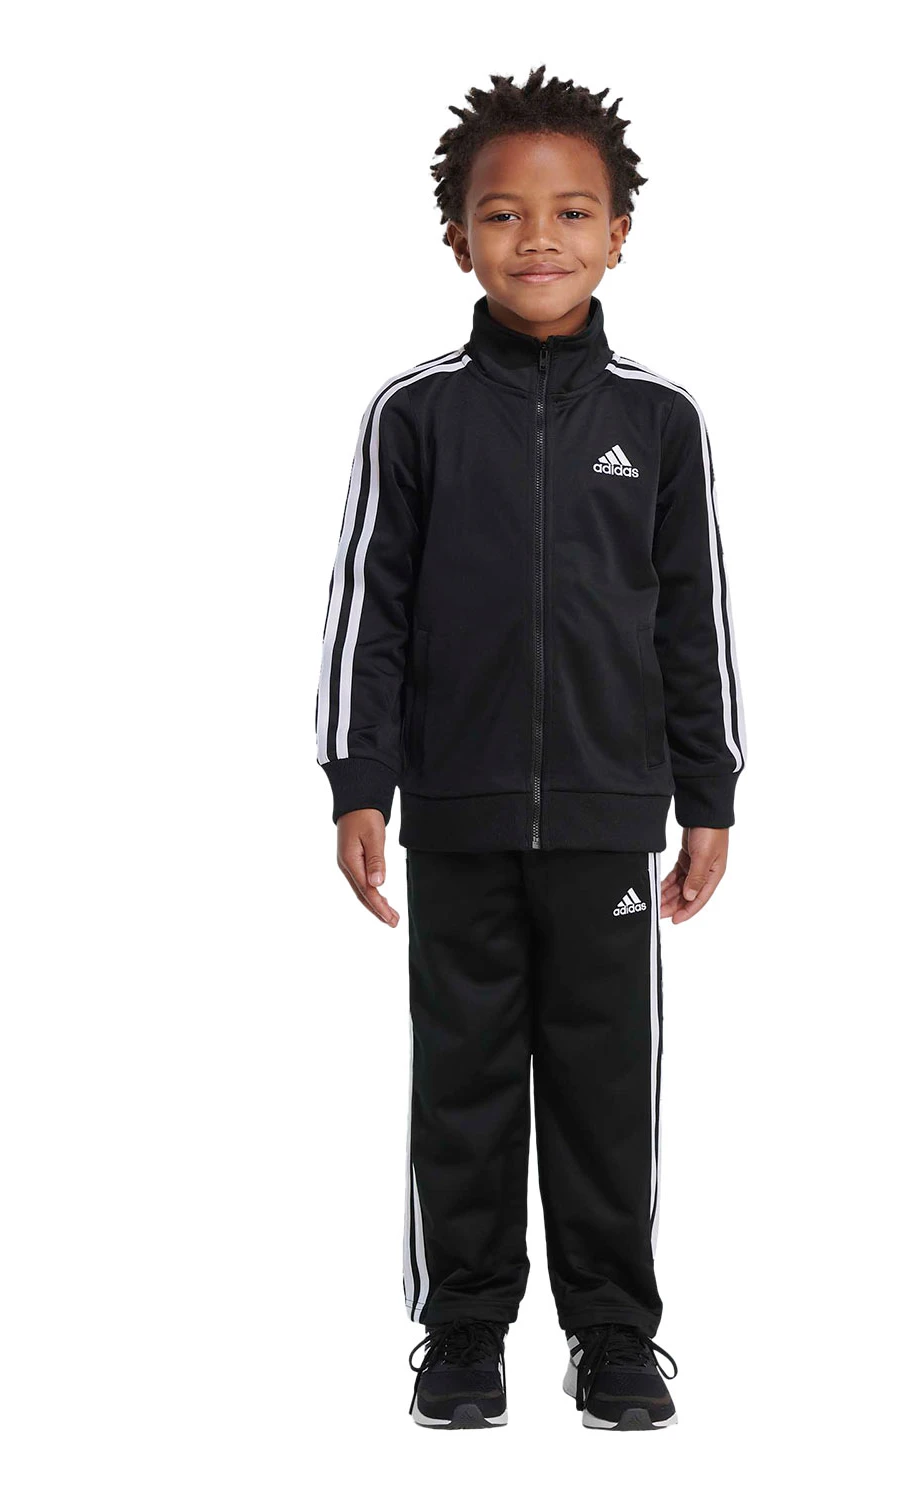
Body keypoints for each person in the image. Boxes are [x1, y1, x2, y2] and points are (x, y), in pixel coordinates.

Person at [314, 66, 745, 1431]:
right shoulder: (417, 415)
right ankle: (463, 1329)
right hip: (456, 811)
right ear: (459, 238)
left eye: (571, 212)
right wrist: (359, 783)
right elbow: (367, 610)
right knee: (465, 1076)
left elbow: (695, 620)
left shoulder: (660, 422)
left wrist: (710, 793)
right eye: (504, 214)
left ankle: (613, 1333)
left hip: (613, 817)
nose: (538, 238)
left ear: (620, 232)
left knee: (607, 1083)